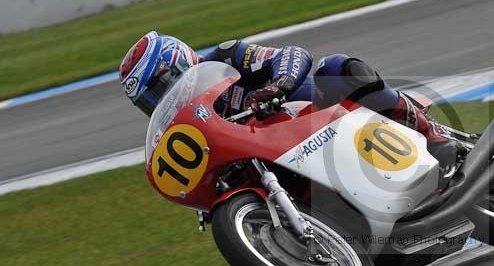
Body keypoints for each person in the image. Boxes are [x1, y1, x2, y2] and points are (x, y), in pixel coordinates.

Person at [118, 31, 459, 163]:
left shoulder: (225, 57)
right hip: (281, 155)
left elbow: (291, 54)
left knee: (335, 67)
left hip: (318, 114)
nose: (160, 100)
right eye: (149, 100)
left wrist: (278, 85)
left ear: (178, 63)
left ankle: (430, 133)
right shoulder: (188, 130)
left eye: (159, 88)